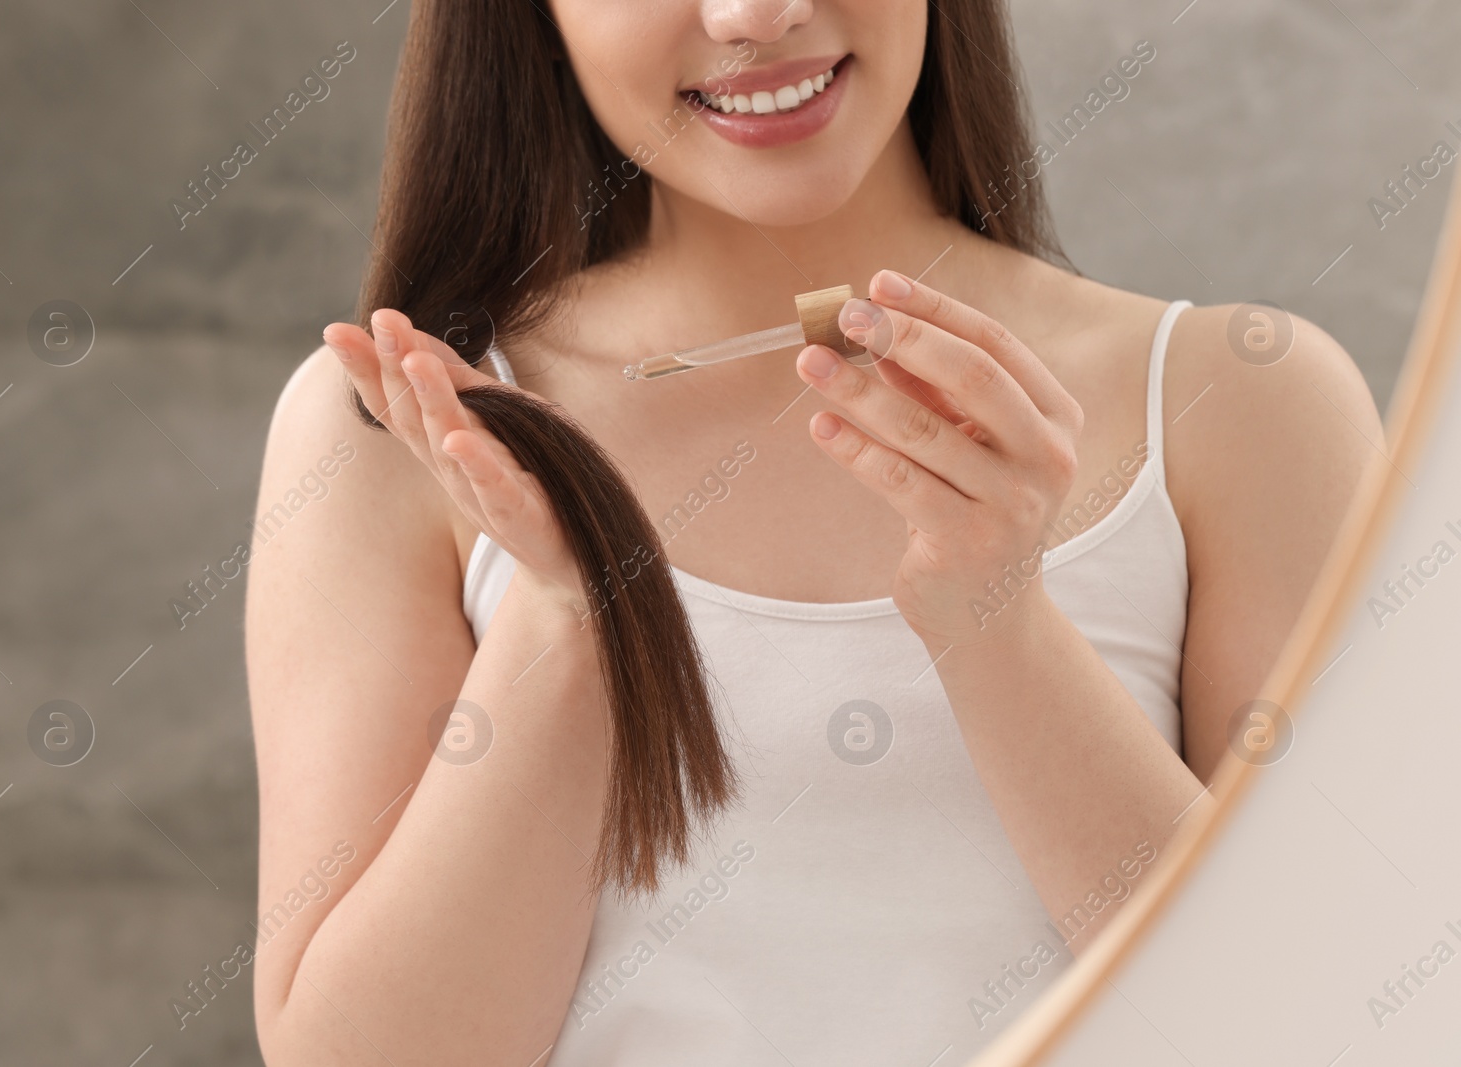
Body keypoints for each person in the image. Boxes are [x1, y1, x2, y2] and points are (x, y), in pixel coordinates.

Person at [245, 1, 1382, 1063]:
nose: (754, 14)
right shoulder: (401, 427)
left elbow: (1319, 1026)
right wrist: (569, 614)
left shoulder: (1244, 402)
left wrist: (994, 620)